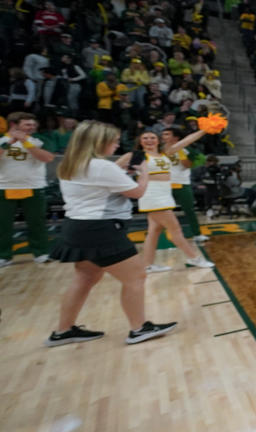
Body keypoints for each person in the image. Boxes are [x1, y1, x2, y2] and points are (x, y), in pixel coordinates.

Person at [45, 120, 176, 346]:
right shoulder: (101, 167)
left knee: (85, 278)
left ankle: (62, 331)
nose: (117, 145)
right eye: (114, 141)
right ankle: (139, 328)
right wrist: (144, 172)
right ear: (99, 141)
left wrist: (121, 173)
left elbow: (100, 183)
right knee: (136, 276)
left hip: (77, 226)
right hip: (101, 229)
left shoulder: (70, 163)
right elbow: (137, 192)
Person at [116, 131, 215, 272]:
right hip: (152, 195)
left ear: (158, 140)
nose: (149, 140)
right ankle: (194, 258)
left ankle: (147, 265)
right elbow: (112, 168)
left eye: (152, 137)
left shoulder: (165, 152)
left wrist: (205, 130)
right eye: (145, 138)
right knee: (175, 230)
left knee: (154, 232)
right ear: (140, 141)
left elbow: (187, 140)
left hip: (165, 194)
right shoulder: (135, 155)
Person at [0, 112, 54, 267]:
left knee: (37, 222)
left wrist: (27, 143)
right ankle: (4, 256)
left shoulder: (40, 140)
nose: (32, 127)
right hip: (4, 187)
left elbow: (48, 158)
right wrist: (9, 143)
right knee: (3, 224)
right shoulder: (2, 140)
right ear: (13, 125)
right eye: (27, 124)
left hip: (34, 187)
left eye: (33, 124)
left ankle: (41, 253)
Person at [161, 127, 206, 243]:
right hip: (164, 184)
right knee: (162, 211)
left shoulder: (186, 149)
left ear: (175, 137)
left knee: (189, 210)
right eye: (163, 134)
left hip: (181, 184)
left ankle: (197, 234)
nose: (163, 136)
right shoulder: (159, 149)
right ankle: (163, 234)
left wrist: (182, 154)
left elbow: (188, 165)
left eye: (167, 134)